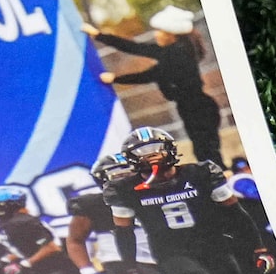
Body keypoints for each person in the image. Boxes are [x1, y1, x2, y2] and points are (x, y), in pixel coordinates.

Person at [103, 127, 264, 274]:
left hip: (213, 245)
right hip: (171, 252)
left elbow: (235, 213)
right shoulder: (125, 189)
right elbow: (124, 231)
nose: (152, 156)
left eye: (156, 149)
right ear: (132, 158)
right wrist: (130, 266)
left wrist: (258, 246)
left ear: (170, 149)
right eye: (143, 152)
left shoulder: (200, 173)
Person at [93, 8, 225, 164]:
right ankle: (220, 175)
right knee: (206, 151)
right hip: (197, 106)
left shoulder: (174, 54)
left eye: (160, 31)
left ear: (171, 34)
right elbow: (149, 68)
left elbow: (139, 57)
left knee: (206, 152)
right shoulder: (180, 51)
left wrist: (99, 37)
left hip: (197, 109)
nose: (156, 35)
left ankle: (221, 178)